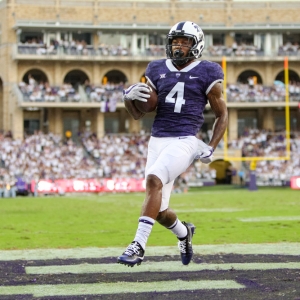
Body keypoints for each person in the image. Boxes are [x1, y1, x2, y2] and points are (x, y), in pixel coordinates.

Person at [118, 21, 228, 267]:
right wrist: (128, 99)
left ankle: (138, 246)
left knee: (153, 180)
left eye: (184, 41)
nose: (178, 46)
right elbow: (138, 114)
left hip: (186, 139)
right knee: (158, 210)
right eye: (175, 41)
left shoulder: (208, 71)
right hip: (157, 140)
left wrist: (211, 145)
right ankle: (184, 233)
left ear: (196, 44)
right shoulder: (156, 68)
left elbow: (222, 114)